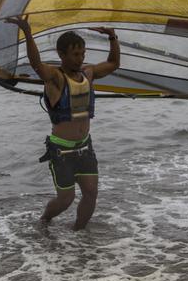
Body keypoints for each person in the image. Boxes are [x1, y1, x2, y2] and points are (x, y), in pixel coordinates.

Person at [6, 15, 120, 230]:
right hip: (61, 151)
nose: (80, 58)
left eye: (83, 54)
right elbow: (37, 64)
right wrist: (27, 33)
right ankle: (44, 220)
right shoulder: (55, 78)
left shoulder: (88, 73)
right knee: (66, 199)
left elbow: (114, 63)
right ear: (62, 54)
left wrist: (113, 37)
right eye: (76, 54)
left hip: (85, 148)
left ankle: (79, 234)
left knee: (91, 193)